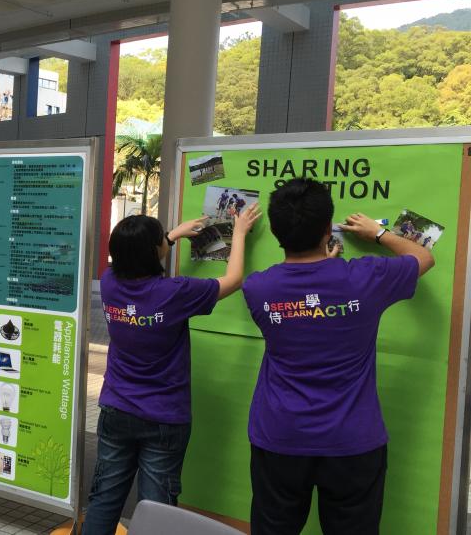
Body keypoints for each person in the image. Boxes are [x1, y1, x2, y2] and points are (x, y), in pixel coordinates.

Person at [242, 179, 434, 535]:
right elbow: (423, 257)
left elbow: (306, 303)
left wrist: (322, 273)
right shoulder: (365, 278)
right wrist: (378, 233)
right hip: (352, 442)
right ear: (327, 229)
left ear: (277, 232)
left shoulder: (258, 288)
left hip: (280, 437)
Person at [82, 204, 261, 535]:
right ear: (154, 252)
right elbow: (234, 279)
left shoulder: (109, 284)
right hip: (164, 416)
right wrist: (238, 233)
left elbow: (141, 253)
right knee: (157, 507)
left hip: (116, 408)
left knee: (105, 497)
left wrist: (174, 234)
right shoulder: (174, 293)